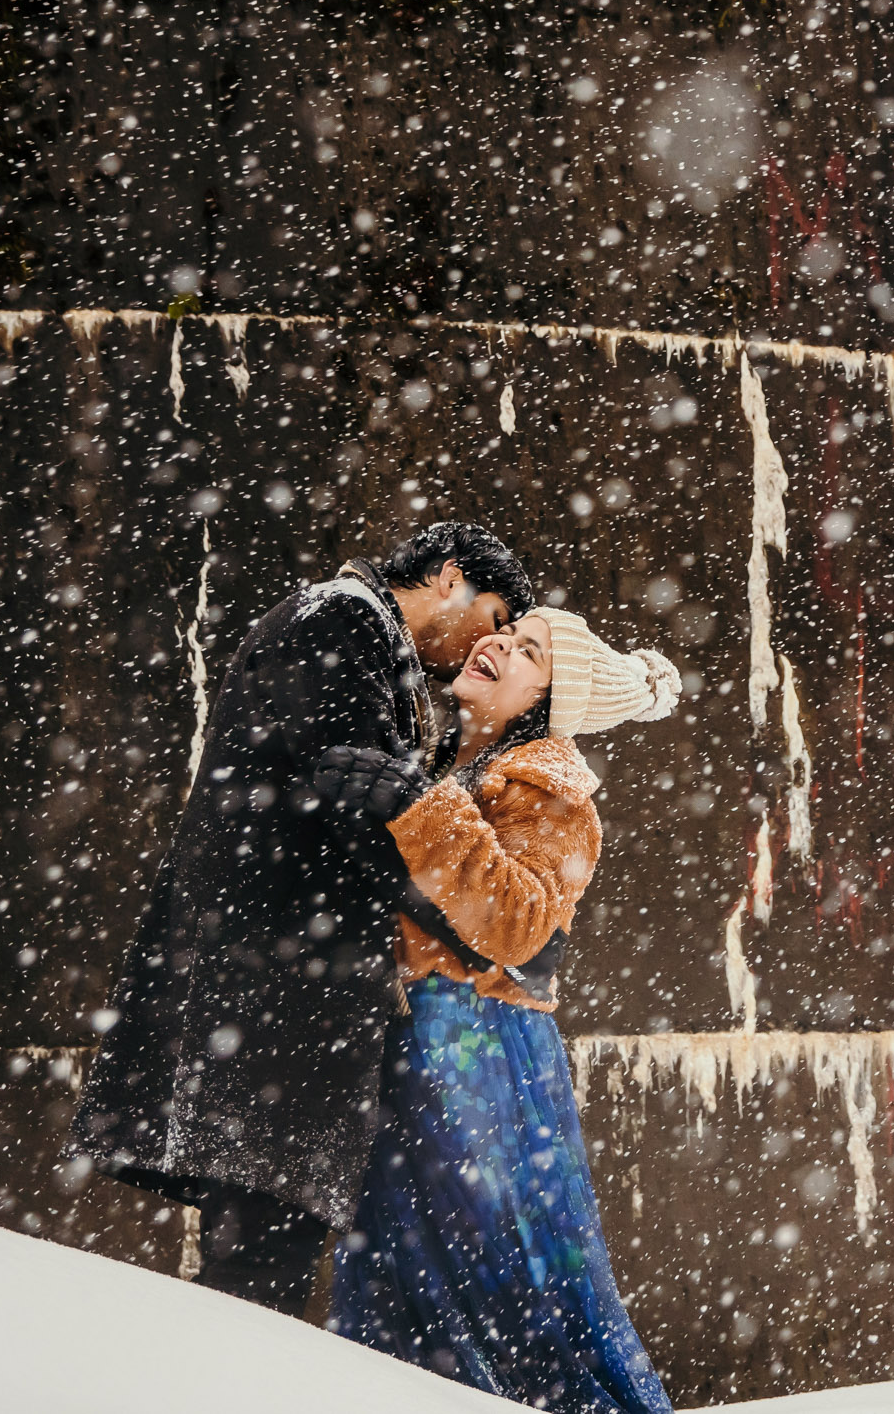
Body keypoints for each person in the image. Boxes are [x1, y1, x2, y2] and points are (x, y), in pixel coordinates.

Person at [69, 523, 535, 1315]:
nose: (479, 649)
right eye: (494, 619)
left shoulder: (356, 634)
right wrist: (443, 881)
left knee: (262, 1260)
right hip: (271, 1010)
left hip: (272, 1008)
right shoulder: (341, 618)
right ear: (450, 576)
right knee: (259, 1276)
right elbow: (350, 803)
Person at [323, 606, 680, 1413]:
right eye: (508, 631)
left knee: (504, 1298)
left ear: (546, 704)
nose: (498, 644)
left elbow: (518, 922)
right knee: (402, 1291)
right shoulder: (459, 769)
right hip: (423, 1051)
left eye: (529, 652)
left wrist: (420, 805)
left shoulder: (556, 794)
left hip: (477, 1058)